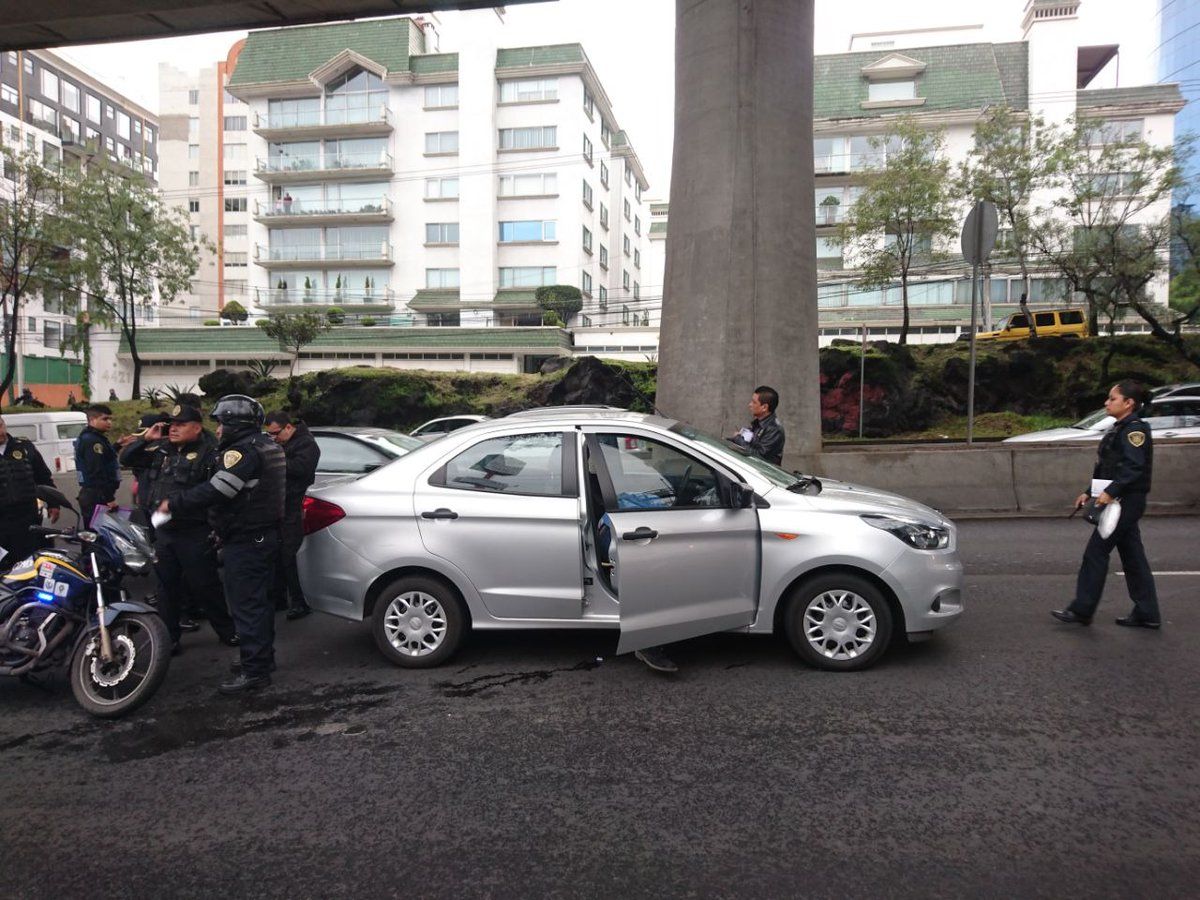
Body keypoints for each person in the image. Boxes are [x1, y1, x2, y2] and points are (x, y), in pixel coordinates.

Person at [159, 395, 285, 694]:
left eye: (221, 423)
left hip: (246, 539)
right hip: (264, 535)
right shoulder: (267, 444)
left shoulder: (242, 452)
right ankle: (262, 660)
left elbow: (219, 490)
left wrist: (173, 503)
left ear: (234, 423)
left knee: (247, 606)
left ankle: (254, 671)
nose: (216, 430)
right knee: (260, 604)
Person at [121, 405, 237, 654]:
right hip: (164, 533)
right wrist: (145, 439)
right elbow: (126, 459)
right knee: (166, 587)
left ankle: (227, 631)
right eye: (171, 424)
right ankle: (169, 638)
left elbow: (215, 493)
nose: (173, 428)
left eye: (180, 424)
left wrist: (215, 528)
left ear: (196, 427)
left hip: (194, 531)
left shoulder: (211, 453)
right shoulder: (162, 449)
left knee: (205, 585)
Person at [1052, 380, 1161, 629]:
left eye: (1112, 398)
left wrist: (1110, 493)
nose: (1106, 402)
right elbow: (1111, 467)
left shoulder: (1135, 430)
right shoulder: (1119, 428)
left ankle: (1082, 609)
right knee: (1133, 558)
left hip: (1125, 502)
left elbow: (1133, 468)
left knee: (1096, 553)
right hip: (1120, 499)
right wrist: (1089, 492)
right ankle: (1147, 612)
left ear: (1128, 403)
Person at [264, 411, 320, 620]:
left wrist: (274, 459)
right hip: (279, 505)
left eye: (276, 433)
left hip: (293, 505)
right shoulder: (284, 443)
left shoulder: (306, 444)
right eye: (270, 435)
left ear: (288, 427)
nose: (274, 438)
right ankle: (279, 597)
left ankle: (299, 601)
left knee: (289, 555)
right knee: (276, 554)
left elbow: (301, 470)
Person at [0, 415, 59, 568]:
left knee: (30, 564)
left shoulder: (24, 447)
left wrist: (54, 502)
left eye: (1, 425)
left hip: (26, 517)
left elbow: (43, 476)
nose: (0, 431)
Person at [74, 404, 120, 528]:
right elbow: (96, 471)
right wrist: (109, 498)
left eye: (110, 419)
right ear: (92, 420)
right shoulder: (92, 441)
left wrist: (118, 445)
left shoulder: (94, 438)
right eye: (105, 419)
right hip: (95, 495)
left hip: (96, 493)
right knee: (96, 535)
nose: (109, 422)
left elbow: (105, 458)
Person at [730, 385, 786, 466]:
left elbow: (759, 456)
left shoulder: (774, 429)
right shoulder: (757, 424)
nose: (750, 405)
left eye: (754, 402)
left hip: (761, 475)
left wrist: (738, 439)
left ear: (764, 407)